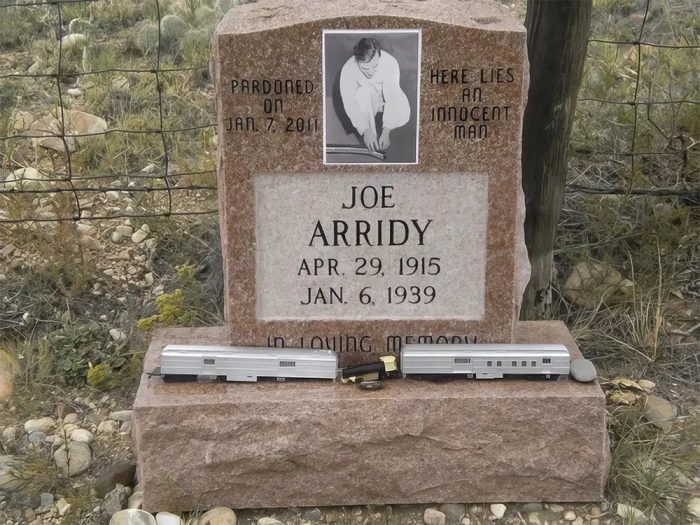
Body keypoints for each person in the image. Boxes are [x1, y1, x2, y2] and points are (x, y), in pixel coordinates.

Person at [339, 37, 410, 155]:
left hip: (386, 99)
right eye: (365, 68)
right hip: (368, 100)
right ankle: (372, 141)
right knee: (363, 93)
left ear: (380, 57)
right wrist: (366, 130)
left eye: (375, 66)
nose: (371, 72)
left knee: (400, 104)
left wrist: (386, 130)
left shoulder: (390, 62)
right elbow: (350, 103)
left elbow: (392, 96)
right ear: (357, 61)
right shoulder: (348, 69)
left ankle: (382, 132)